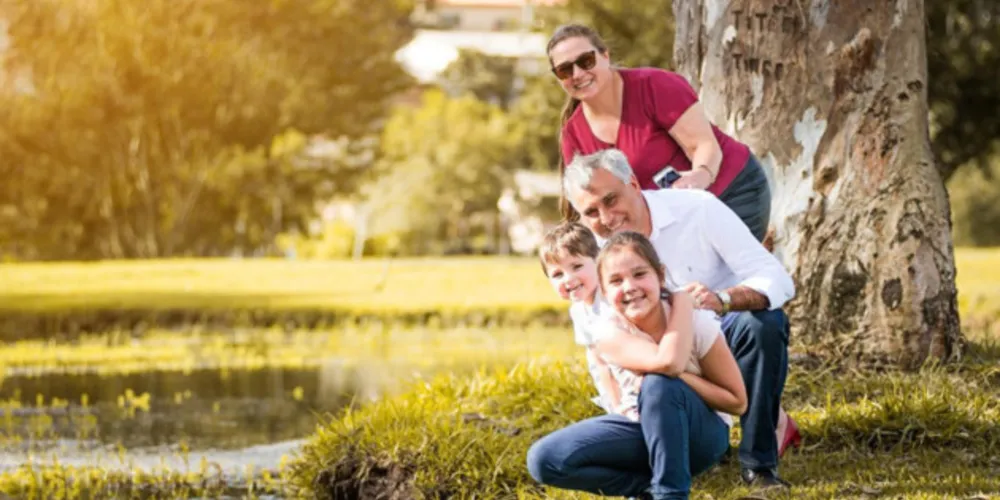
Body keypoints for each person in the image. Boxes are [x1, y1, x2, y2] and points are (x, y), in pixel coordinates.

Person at [559, 148, 796, 488]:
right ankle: (670, 459)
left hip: (717, 337)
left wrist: (722, 300)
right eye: (591, 212)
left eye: (612, 200)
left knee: (763, 324)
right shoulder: (590, 254)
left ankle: (759, 464)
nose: (606, 218)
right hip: (656, 368)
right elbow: (596, 346)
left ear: (635, 184)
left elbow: (774, 278)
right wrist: (619, 412)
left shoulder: (696, 208)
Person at [527, 230, 747, 500]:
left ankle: (670, 495)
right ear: (605, 292)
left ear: (660, 276)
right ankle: (644, 489)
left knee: (659, 384)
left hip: (701, 438)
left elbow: (737, 402)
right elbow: (668, 362)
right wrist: (681, 303)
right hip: (642, 430)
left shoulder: (697, 323)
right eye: (616, 281)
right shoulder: (607, 333)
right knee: (545, 459)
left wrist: (681, 312)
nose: (629, 287)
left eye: (640, 274)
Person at [546, 24, 772, 243]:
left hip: (732, 192)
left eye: (586, 61)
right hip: (672, 218)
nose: (577, 73)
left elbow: (703, 145)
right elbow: (587, 202)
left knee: (720, 279)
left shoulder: (654, 85)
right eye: (565, 69)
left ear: (605, 56)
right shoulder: (573, 135)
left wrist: (699, 177)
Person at [536, 221, 692, 420]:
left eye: (576, 266)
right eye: (557, 274)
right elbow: (599, 362)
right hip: (623, 388)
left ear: (598, 263)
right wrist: (616, 405)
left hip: (653, 375)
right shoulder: (579, 311)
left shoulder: (617, 300)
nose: (568, 279)